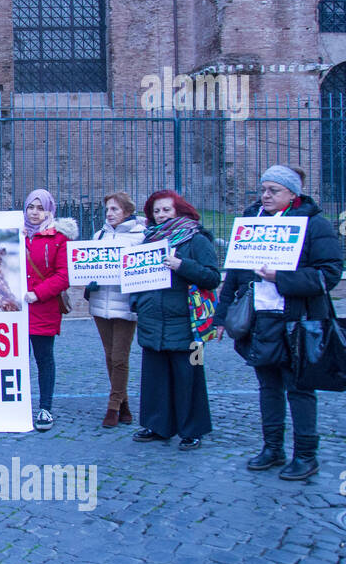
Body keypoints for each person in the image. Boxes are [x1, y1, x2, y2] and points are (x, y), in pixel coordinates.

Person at [215, 165, 342, 480]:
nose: (266, 195)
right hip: (259, 319)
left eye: (274, 190)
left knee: (298, 388)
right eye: (263, 189)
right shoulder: (251, 224)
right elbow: (233, 274)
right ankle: (272, 447)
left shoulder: (314, 225)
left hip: (296, 319)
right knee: (267, 386)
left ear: (292, 195)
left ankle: (306, 455)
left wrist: (280, 277)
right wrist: (221, 317)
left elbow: (329, 273)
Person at [129, 190, 221, 451]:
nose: (160, 215)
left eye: (166, 210)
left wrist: (181, 266)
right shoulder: (148, 241)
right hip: (153, 319)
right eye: (156, 211)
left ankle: (192, 429)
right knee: (155, 377)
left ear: (179, 210)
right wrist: (137, 301)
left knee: (190, 376)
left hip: (188, 323)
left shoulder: (196, 239)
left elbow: (212, 277)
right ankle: (158, 425)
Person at [87, 192, 148, 427]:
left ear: (127, 212)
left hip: (125, 303)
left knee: (121, 357)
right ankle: (124, 405)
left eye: (114, 209)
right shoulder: (99, 235)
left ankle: (112, 407)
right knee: (110, 355)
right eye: (108, 210)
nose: (110, 214)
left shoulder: (140, 237)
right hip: (101, 301)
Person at [22, 189, 74, 432]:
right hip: (16, 310)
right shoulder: (15, 234)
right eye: (30, 207)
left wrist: (38, 293)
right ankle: (15, 406)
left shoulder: (59, 239)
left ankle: (45, 407)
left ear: (49, 210)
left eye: (39, 208)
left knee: (44, 359)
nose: (34, 212)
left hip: (42, 308)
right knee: (16, 360)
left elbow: (63, 275)